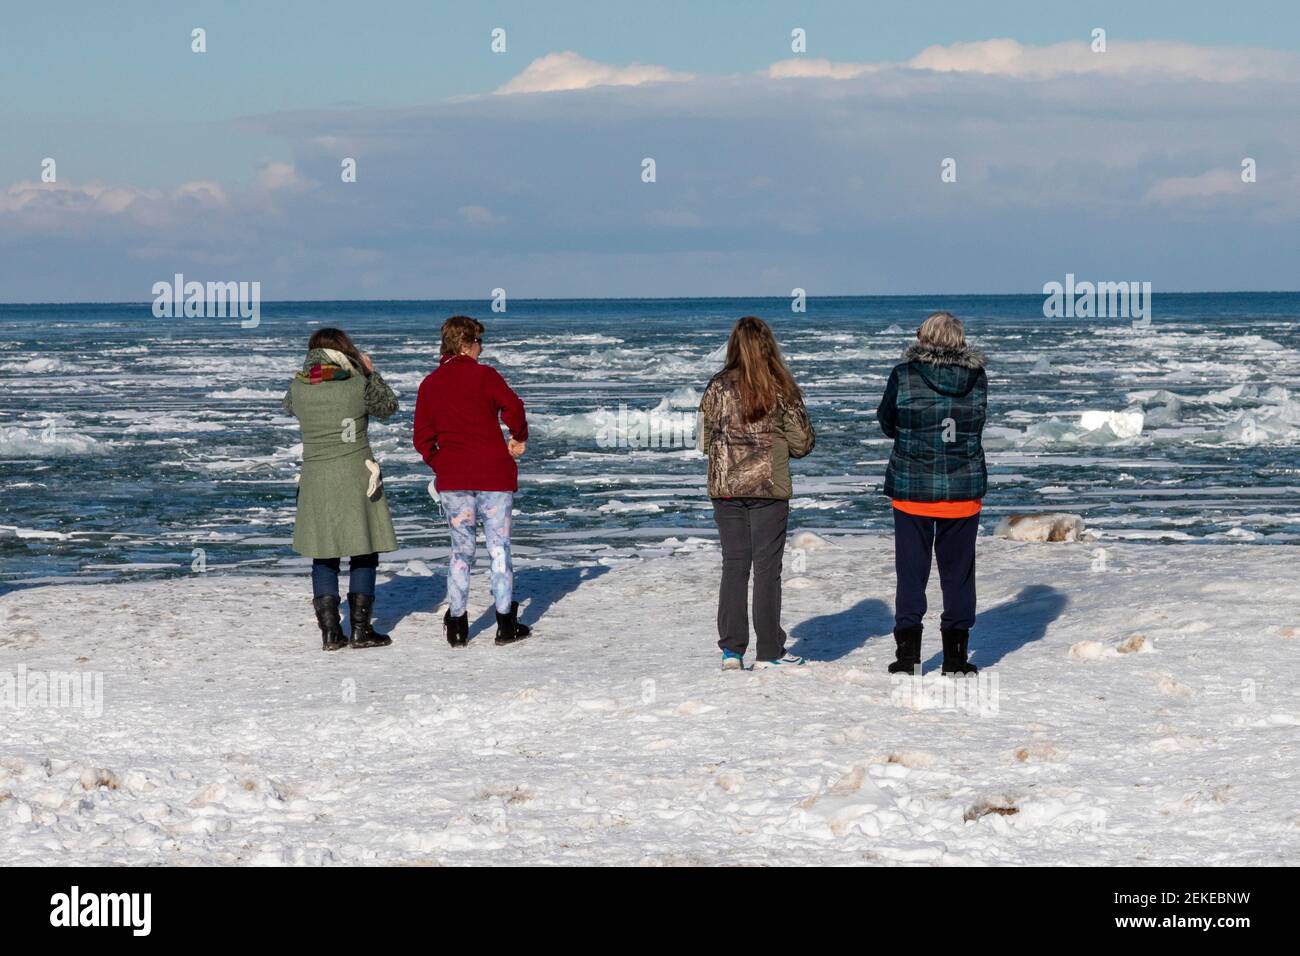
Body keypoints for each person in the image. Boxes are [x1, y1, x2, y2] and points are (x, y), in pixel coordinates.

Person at [698, 316, 815, 671]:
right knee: (767, 569)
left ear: (734, 345)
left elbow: (704, 440)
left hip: (727, 487)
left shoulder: (717, 386)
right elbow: (803, 442)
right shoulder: (781, 386)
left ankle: (732, 650)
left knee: (735, 565)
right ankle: (769, 650)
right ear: (768, 346)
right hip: (769, 487)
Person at [877, 311, 987, 676]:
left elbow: (886, 421)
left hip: (913, 491)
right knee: (958, 575)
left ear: (923, 338)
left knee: (911, 573)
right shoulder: (976, 378)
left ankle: (908, 656)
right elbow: (975, 423)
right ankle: (955, 657)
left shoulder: (904, 376)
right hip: (962, 490)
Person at [413, 316, 531, 647]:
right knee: (498, 549)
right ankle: (506, 624)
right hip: (493, 473)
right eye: (479, 342)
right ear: (467, 343)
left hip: (454, 479)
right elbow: (515, 409)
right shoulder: (485, 376)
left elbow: (422, 438)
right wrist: (518, 437)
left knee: (461, 551)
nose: (481, 349)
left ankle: (457, 625)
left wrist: (442, 463)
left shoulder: (431, 384)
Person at [283, 327, 399, 651]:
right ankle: (361, 631)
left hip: (316, 476)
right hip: (355, 474)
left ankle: (331, 634)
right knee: (363, 550)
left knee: (324, 554)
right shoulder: (357, 382)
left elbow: (288, 406)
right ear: (346, 351)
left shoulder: (299, 386)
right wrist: (370, 371)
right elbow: (388, 407)